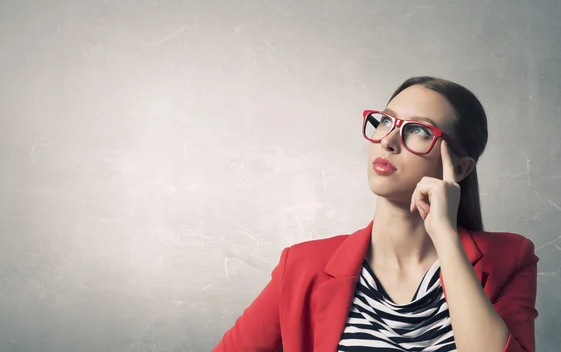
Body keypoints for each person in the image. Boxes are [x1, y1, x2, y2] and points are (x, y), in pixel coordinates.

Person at [212, 76, 538, 352]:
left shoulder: (510, 258)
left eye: (419, 131)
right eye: (385, 121)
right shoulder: (300, 266)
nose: (389, 141)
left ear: (462, 167)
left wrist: (446, 237)